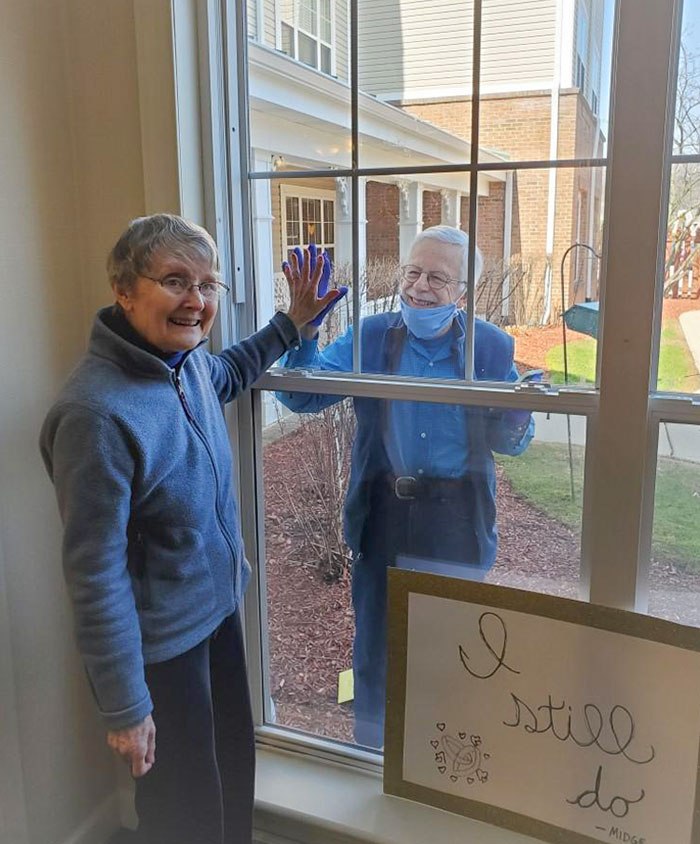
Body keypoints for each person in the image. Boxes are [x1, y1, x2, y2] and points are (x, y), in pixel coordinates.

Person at [39, 214, 343, 844]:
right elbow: (94, 574)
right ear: (124, 290)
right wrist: (126, 706)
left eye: (207, 286)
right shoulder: (95, 414)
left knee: (231, 775)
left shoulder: (186, 365)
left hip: (215, 616)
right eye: (176, 281)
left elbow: (230, 371)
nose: (197, 301)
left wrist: (292, 323)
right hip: (161, 651)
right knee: (184, 812)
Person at [277, 226, 535, 748]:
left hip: (456, 518)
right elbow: (303, 399)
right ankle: (372, 756)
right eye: (412, 272)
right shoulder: (371, 336)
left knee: (458, 647)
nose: (419, 286)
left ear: (464, 291)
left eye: (437, 278)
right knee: (376, 645)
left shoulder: (489, 345)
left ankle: (450, 758)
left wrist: (518, 410)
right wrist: (302, 335)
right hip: (384, 513)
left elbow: (512, 441)